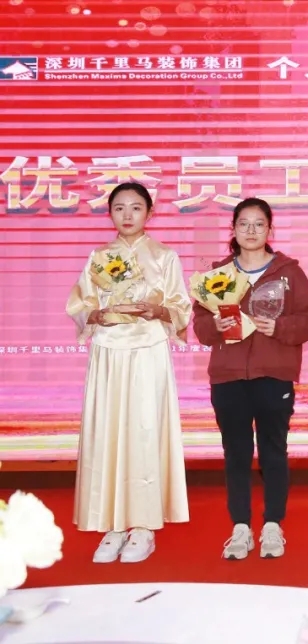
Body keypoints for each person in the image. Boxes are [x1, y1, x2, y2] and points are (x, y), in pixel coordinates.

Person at [65, 181, 193, 564]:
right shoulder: (99, 256)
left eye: (136, 207)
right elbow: (80, 304)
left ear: (150, 213)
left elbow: (181, 306)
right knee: (108, 432)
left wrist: (160, 311)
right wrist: (95, 315)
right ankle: (113, 524)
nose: (127, 215)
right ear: (109, 213)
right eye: (119, 208)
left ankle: (143, 526)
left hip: (148, 352)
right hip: (108, 352)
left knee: (145, 432)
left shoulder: (165, 256)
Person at [192, 198, 308, 560]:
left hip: (274, 376)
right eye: (244, 224)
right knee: (236, 454)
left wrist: (279, 327)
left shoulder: (289, 272)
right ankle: (240, 527)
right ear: (233, 229)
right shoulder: (216, 275)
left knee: (273, 452)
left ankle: (273, 525)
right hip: (228, 378)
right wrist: (216, 326)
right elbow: (200, 326)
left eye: (259, 224)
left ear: (270, 229)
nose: (251, 231)